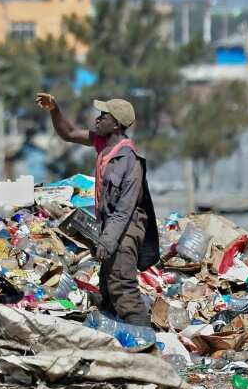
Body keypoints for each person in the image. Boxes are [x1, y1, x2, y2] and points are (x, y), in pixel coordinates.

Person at [36, 93, 159, 327]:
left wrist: (107, 242)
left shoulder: (129, 160)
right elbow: (69, 133)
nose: (98, 119)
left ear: (116, 124)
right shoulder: (102, 144)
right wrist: (54, 109)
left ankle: (146, 344)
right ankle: (117, 339)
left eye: (104, 116)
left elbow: (125, 208)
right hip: (113, 228)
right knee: (108, 290)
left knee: (122, 288)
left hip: (126, 230)